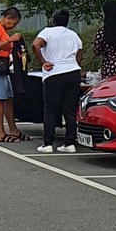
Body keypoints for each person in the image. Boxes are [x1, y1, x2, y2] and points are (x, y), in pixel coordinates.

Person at [32, 10, 83, 153]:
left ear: (53, 20)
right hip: (73, 72)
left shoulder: (47, 32)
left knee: (50, 109)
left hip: (54, 73)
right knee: (70, 110)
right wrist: (75, 66)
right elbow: (79, 55)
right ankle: (70, 143)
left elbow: (36, 45)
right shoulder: (74, 35)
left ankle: (48, 143)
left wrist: (43, 61)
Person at [0, 6, 28, 143]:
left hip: (4, 66)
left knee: (9, 98)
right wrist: (10, 40)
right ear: (8, 18)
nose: (13, 26)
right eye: (13, 23)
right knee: (0, 98)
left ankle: (13, 129)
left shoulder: (2, 28)